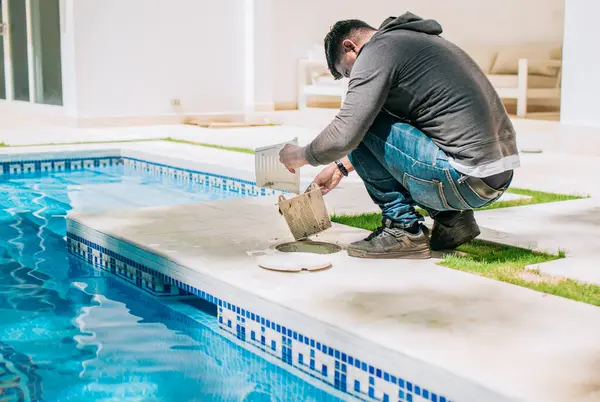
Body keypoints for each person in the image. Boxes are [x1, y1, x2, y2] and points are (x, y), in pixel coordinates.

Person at [279, 12, 519, 259]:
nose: (353, 79)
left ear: (350, 47)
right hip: (494, 178)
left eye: (348, 72)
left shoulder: (377, 51)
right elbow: (404, 138)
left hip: (464, 178)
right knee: (380, 118)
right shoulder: (414, 42)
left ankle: (403, 230)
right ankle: (452, 220)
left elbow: (347, 133)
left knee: (364, 120)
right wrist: (340, 167)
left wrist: (299, 156)